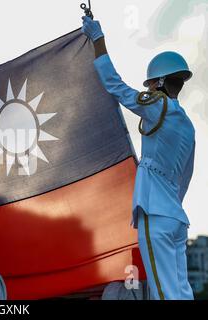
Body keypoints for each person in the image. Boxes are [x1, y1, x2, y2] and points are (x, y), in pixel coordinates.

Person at [82, 17, 195, 300]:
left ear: (158, 82)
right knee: (181, 291)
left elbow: (115, 86)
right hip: (176, 218)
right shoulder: (188, 126)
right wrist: (170, 205)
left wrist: (98, 40)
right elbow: (186, 177)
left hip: (155, 214)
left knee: (163, 293)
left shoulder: (158, 107)